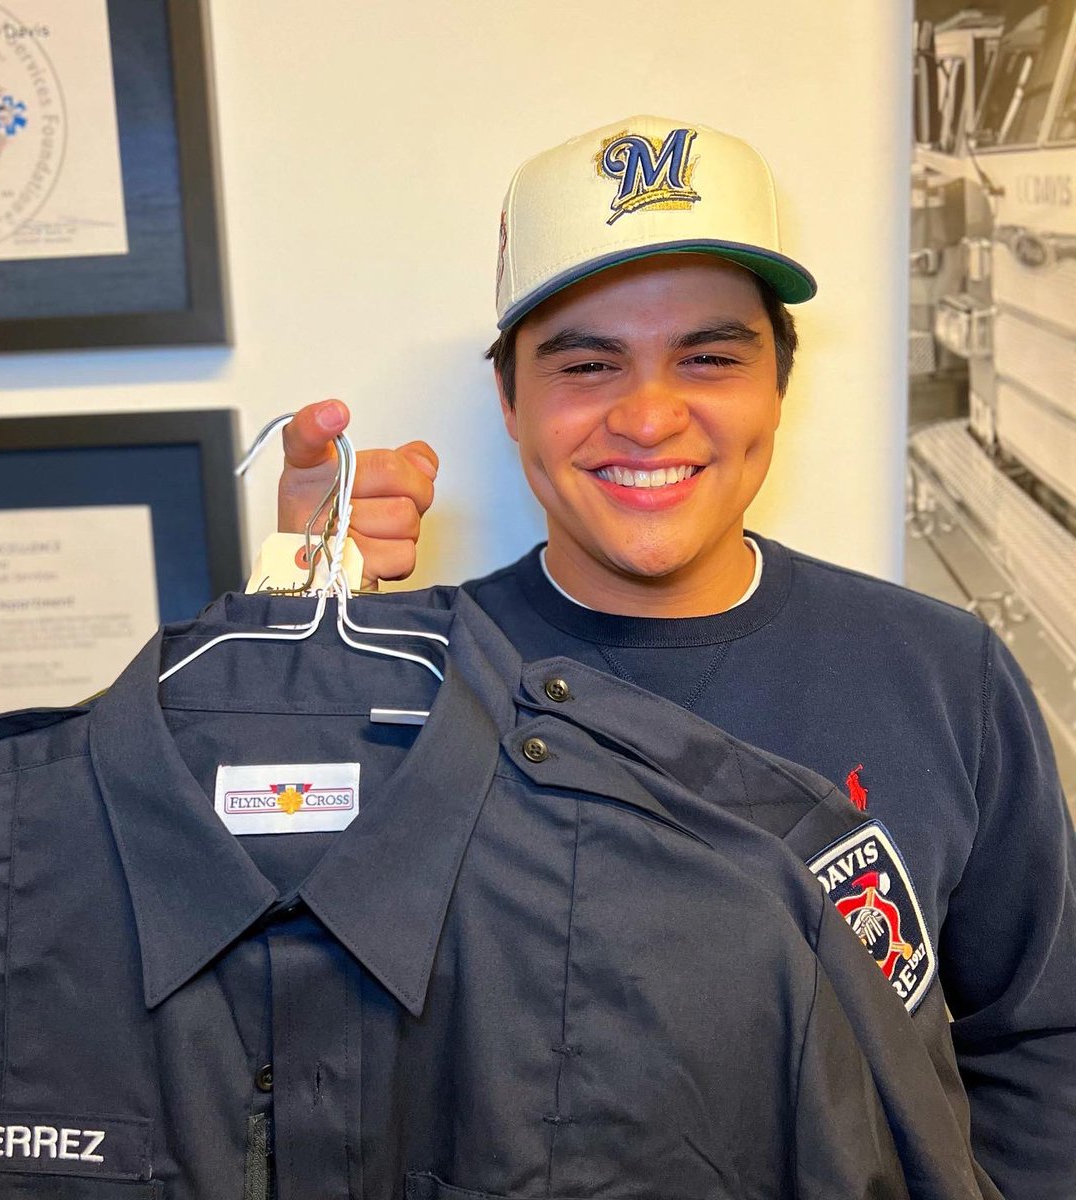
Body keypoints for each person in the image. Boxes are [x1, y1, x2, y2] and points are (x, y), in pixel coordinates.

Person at [277, 116, 1076, 1198]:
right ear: (510, 401)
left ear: (777, 390)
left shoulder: (945, 671)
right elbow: (267, 1026)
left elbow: (1037, 1033)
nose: (650, 416)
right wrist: (293, 639)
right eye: (588, 362)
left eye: (708, 357)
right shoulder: (397, 680)